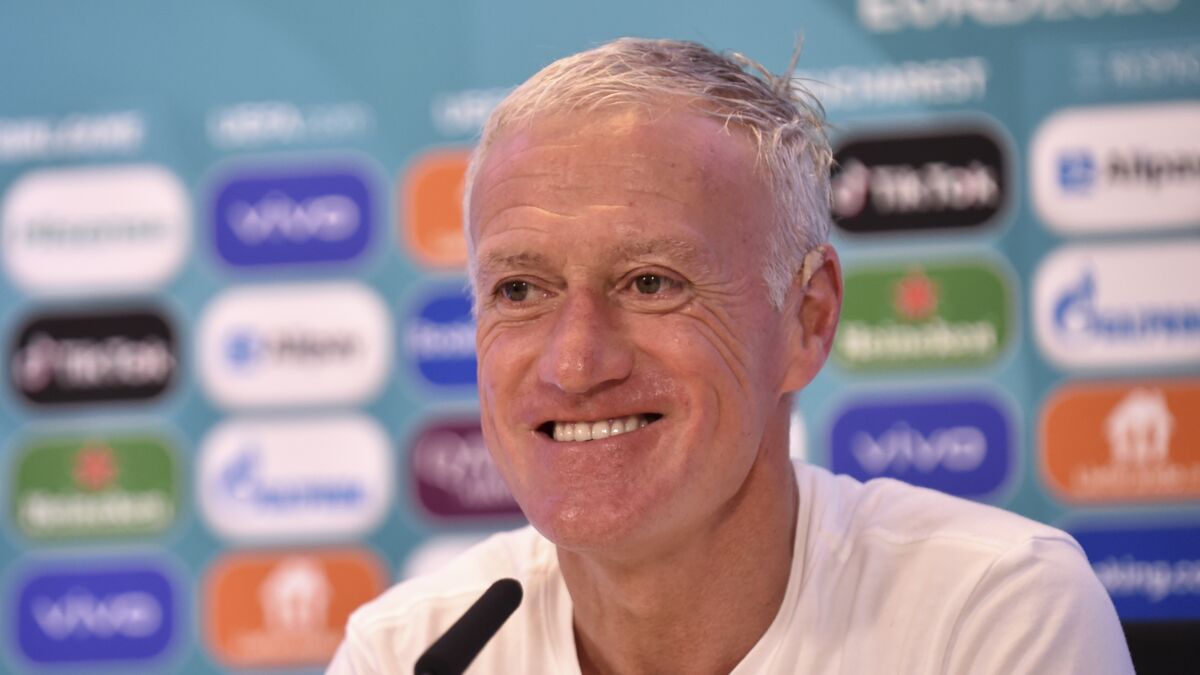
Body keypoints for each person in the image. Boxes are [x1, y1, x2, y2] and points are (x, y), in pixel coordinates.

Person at [329, 38, 1133, 674]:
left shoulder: (992, 611)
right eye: (519, 290)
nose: (573, 363)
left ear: (808, 318)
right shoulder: (406, 651)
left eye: (650, 282)